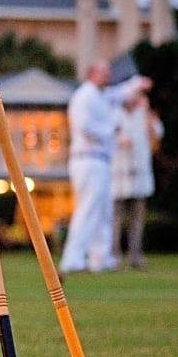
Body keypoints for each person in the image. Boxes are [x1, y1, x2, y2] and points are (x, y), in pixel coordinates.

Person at [59, 60, 152, 275]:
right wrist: (112, 131)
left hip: (100, 160)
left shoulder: (102, 96)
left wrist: (138, 83)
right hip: (87, 159)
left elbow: (121, 93)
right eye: (103, 73)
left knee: (103, 211)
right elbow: (85, 127)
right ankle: (73, 258)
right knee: (88, 209)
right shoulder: (84, 96)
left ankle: (100, 259)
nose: (108, 76)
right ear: (92, 74)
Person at [110, 93, 164, 269]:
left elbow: (156, 136)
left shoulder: (144, 115)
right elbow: (109, 134)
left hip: (140, 174)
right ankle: (114, 256)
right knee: (116, 219)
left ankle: (135, 255)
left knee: (137, 219)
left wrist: (146, 111)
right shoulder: (115, 113)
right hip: (119, 174)